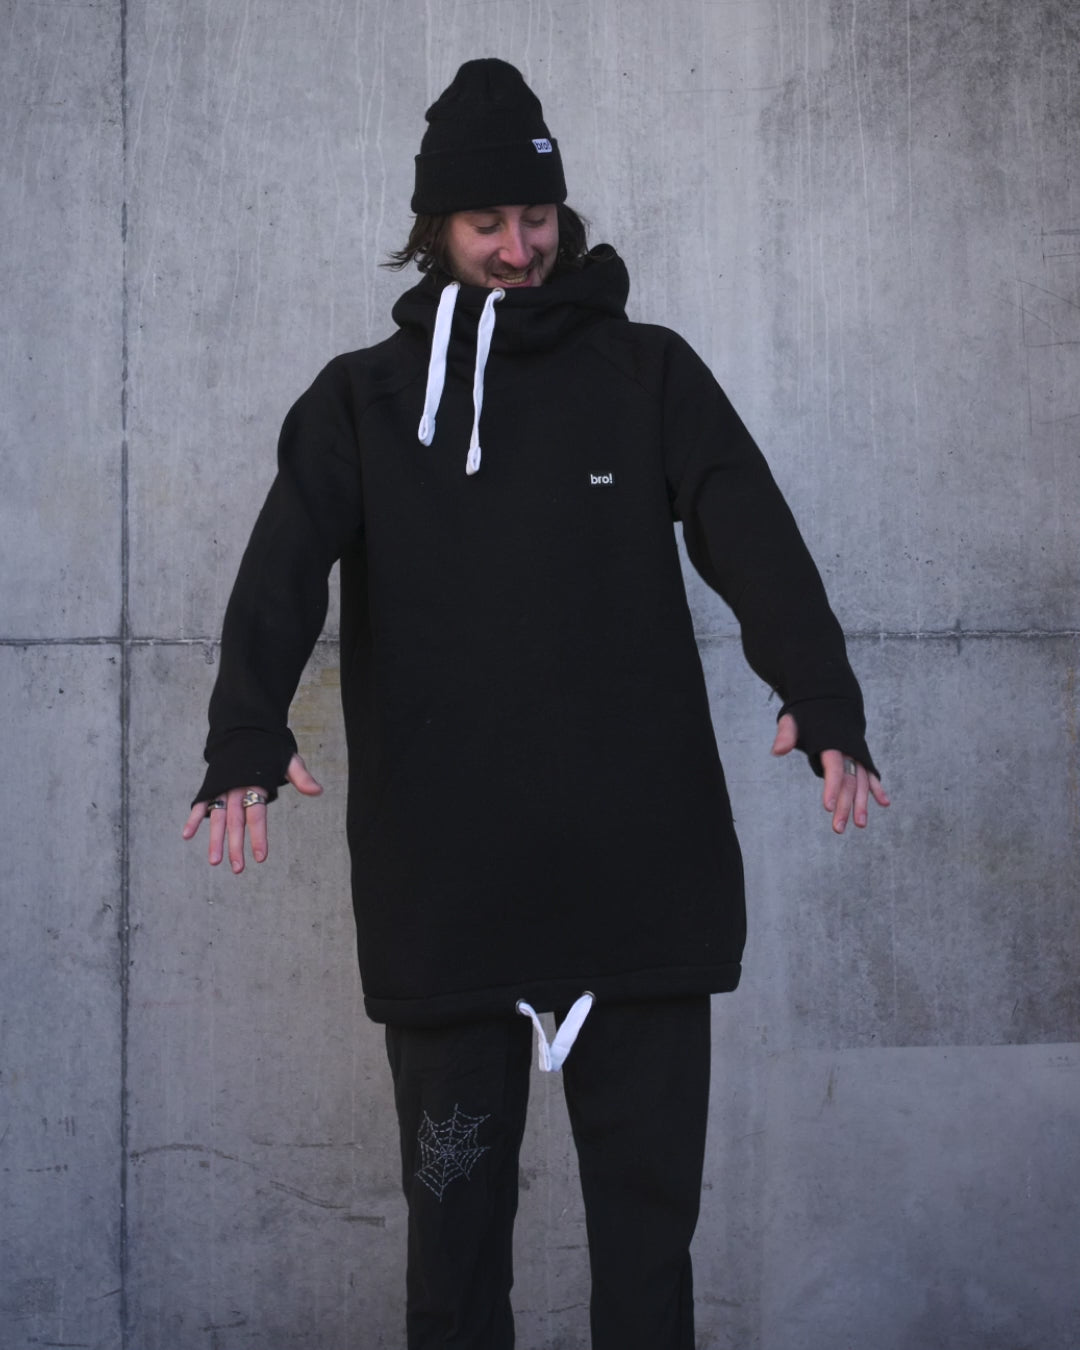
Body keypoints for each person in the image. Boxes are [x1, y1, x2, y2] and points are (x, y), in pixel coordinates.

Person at [183, 58, 888, 1350]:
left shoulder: (647, 372)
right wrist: (245, 735)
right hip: (451, 891)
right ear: (434, 229)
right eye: (486, 221)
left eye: (538, 216)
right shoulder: (362, 400)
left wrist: (822, 698)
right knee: (453, 1271)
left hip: (641, 878)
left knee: (647, 1264)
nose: (519, 248)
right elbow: (279, 575)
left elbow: (751, 532)